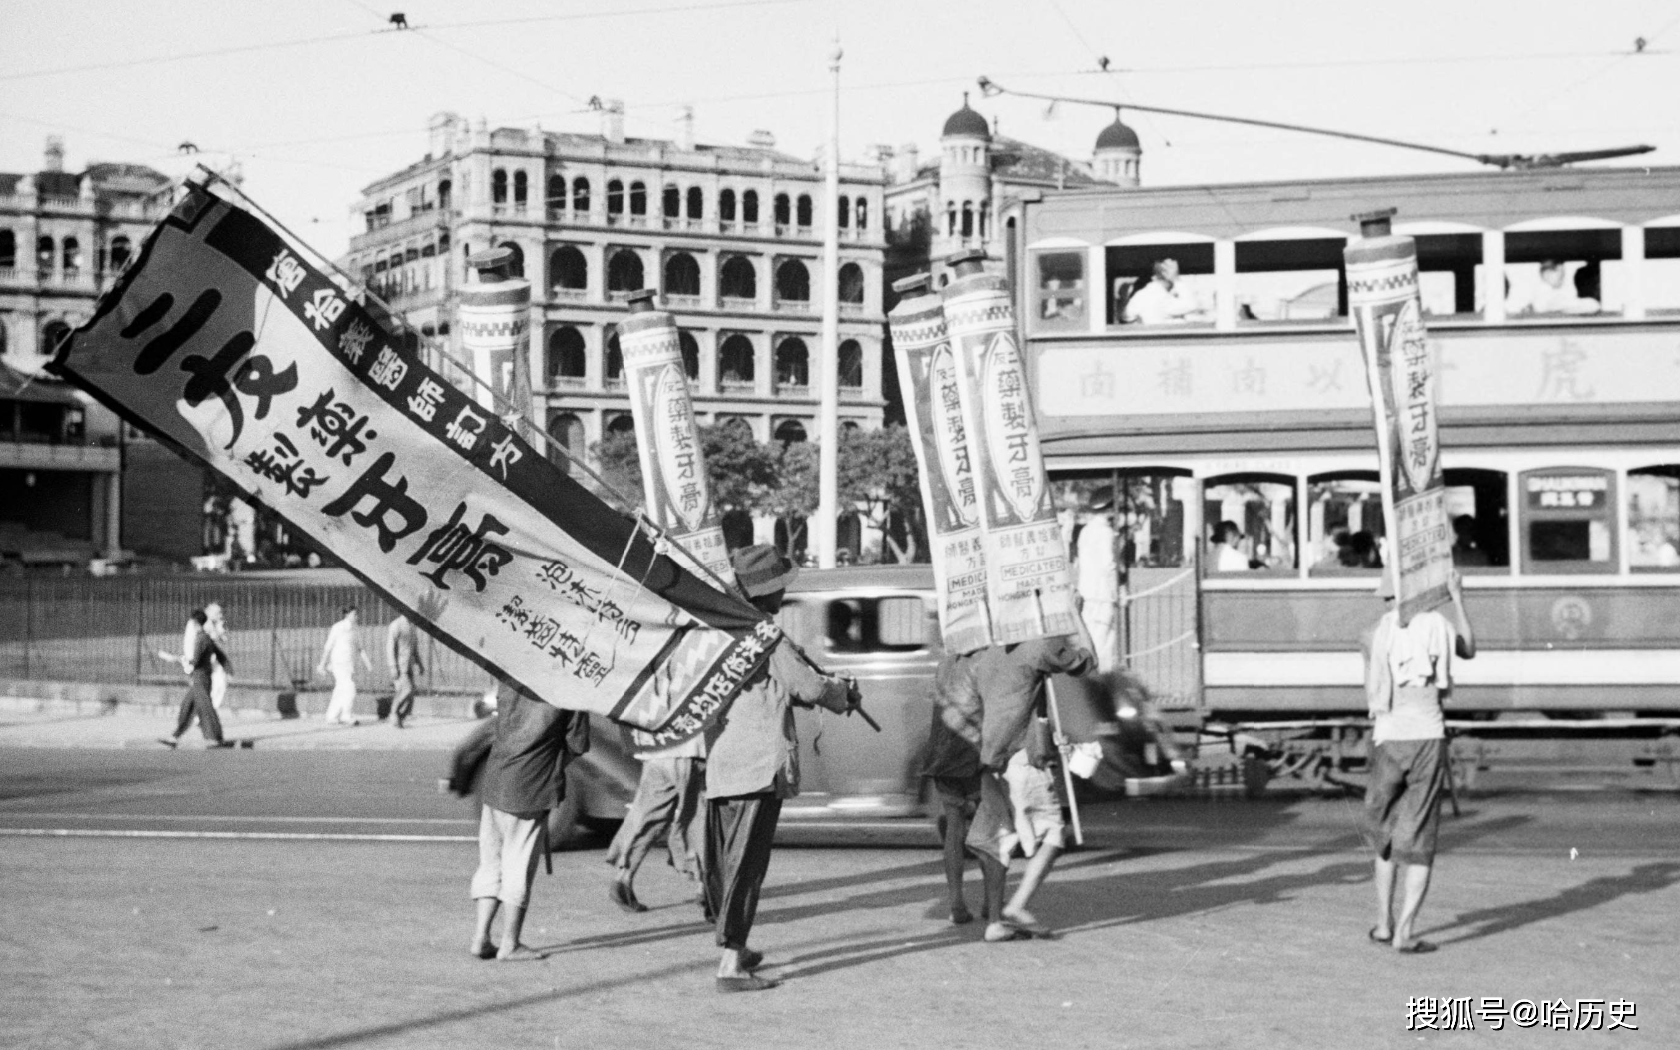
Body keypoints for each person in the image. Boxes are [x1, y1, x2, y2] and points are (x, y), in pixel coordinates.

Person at [703, 544, 857, 992]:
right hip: (757, 764)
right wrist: (843, 694)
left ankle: (735, 946)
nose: (782, 597)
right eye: (778, 590)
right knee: (747, 866)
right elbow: (808, 687)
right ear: (765, 595)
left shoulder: (718, 631)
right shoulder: (765, 635)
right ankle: (731, 964)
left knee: (727, 863)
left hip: (723, 762)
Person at [1362, 570, 1476, 954]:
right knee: (1421, 836)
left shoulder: (1378, 632)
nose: (1386, 603)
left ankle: (1383, 923)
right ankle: (1404, 933)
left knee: (1386, 834)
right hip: (1427, 737)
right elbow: (1469, 648)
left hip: (1388, 738)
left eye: (1388, 597)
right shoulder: (1439, 626)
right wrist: (1457, 598)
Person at [965, 635, 1096, 943]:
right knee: (1054, 834)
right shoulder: (1038, 647)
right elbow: (1086, 663)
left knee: (997, 840)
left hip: (993, 759)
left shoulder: (987, 656)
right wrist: (1077, 619)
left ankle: (995, 921)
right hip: (1023, 758)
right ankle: (1017, 906)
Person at [469, 681, 589, 961]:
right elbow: (578, 743)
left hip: (496, 778)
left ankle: (480, 937)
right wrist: (553, 764)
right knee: (518, 865)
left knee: (491, 862)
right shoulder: (570, 688)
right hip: (531, 786)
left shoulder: (511, 678)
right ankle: (510, 943)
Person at [605, 736, 708, 915]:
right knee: (697, 817)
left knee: (646, 817)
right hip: (691, 753)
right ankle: (703, 886)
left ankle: (623, 878)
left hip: (657, 752)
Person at [921, 650, 985, 926]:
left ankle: (956, 902)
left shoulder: (945, 662)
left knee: (955, 827)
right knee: (988, 828)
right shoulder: (982, 660)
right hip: (972, 752)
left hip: (942, 753)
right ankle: (992, 902)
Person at [156, 609, 228, 749]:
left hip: (201, 679)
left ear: (195, 623)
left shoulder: (201, 639)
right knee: (188, 707)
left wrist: (175, 659)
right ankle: (174, 737)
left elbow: (195, 662)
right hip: (200, 678)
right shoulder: (205, 637)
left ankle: (216, 737)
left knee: (205, 709)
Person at [317, 605, 371, 726]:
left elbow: (360, 648)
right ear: (347, 614)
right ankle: (346, 715)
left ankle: (332, 716)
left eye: (357, 614)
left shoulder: (356, 629)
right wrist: (322, 664)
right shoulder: (338, 627)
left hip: (349, 665)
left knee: (340, 689)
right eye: (354, 614)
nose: (357, 616)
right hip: (338, 663)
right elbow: (328, 646)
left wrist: (367, 663)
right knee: (350, 687)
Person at [1122, 259, 1204, 325]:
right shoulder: (1160, 297)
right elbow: (1192, 305)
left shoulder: (1140, 295)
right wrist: (1176, 279)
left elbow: (1127, 316)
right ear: (1166, 274)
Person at [385, 614, 425, 729]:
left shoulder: (412, 626)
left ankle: (399, 718)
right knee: (407, 690)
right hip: (400, 666)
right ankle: (393, 712)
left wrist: (420, 664)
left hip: (409, 665)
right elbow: (390, 648)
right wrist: (393, 666)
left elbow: (414, 648)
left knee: (411, 696)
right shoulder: (396, 625)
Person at [203, 601, 231, 711]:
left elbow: (225, 640)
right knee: (205, 686)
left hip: (215, 659)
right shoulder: (204, 623)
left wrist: (221, 630)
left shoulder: (219, 624)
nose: (221, 615)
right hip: (204, 659)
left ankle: (210, 711)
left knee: (221, 683)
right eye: (218, 613)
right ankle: (204, 712)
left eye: (221, 613)